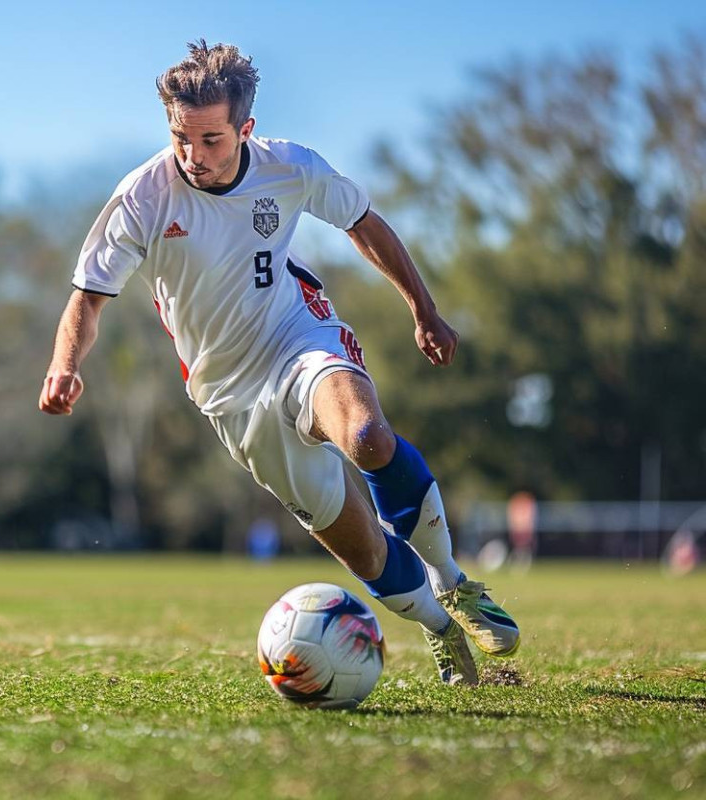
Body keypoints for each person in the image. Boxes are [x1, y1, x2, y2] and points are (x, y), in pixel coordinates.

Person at [38, 41, 520, 685]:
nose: (193, 155)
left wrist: (423, 309)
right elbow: (88, 299)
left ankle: (454, 582)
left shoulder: (289, 167)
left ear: (245, 129)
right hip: (229, 396)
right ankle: (439, 627)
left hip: (298, 336)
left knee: (368, 438)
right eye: (181, 137)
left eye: (211, 139)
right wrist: (65, 364)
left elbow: (363, 223)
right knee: (363, 547)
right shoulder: (142, 199)